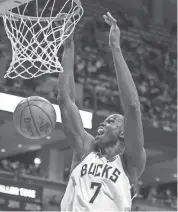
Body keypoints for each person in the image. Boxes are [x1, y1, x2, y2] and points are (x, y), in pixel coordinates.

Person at [58, 12, 146, 211]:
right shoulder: (85, 149)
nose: (103, 124)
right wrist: (68, 47)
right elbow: (65, 100)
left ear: (123, 132)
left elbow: (132, 107)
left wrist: (115, 48)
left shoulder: (130, 164)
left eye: (111, 121)